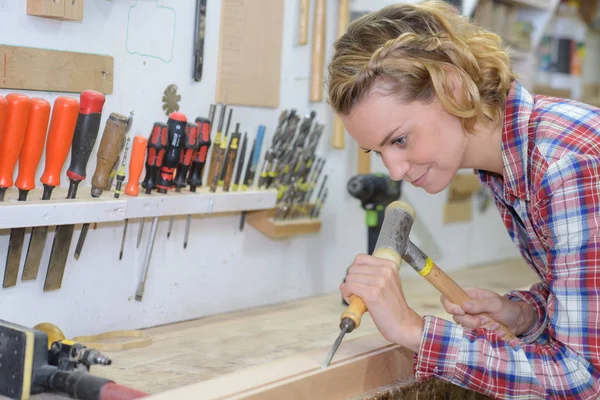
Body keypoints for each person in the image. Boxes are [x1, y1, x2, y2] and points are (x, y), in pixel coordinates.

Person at [327, 1, 600, 399]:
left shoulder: (564, 166)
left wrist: (416, 332)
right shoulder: (509, 167)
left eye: (399, 140)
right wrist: (524, 315)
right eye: (378, 152)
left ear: (451, 87)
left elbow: (584, 379)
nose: (396, 170)